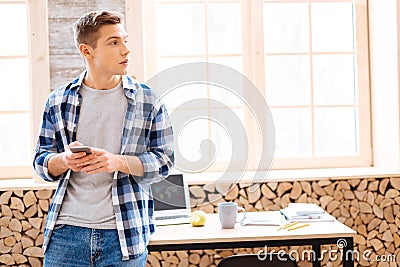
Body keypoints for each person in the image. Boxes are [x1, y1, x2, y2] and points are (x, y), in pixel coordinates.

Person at [33, 10, 174, 266]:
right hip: (66, 234)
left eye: (125, 40)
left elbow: (164, 162)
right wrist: (64, 160)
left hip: (125, 235)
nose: (126, 50)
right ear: (86, 51)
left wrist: (117, 162)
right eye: (114, 42)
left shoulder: (148, 100)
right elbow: (41, 162)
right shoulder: (58, 101)